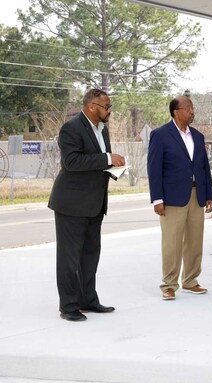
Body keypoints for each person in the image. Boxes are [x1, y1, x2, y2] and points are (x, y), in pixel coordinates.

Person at [48, 88, 126, 322]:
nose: (109, 111)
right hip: (71, 204)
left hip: (95, 203)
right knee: (69, 258)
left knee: (90, 255)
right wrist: (107, 159)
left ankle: (88, 300)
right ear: (92, 106)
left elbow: (99, 161)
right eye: (106, 107)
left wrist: (115, 168)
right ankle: (69, 306)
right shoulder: (71, 128)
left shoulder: (103, 129)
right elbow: (71, 162)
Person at [147, 96, 212, 301]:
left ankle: (191, 280)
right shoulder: (160, 135)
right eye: (188, 108)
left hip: (197, 195)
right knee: (172, 242)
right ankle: (168, 284)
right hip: (172, 197)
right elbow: (154, 168)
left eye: (192, 108)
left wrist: (209, 194)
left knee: (195, 241)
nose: (192, 111)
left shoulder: (198, 136)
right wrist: (157, 199)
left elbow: (204, 168)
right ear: (175, 111)